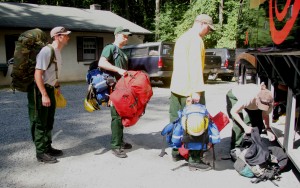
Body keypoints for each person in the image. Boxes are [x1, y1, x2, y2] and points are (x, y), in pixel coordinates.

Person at [169, 14, 215, 171]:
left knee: (177, 121)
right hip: (190, 89)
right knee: (196, 124)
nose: (208, 31)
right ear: (202, 24)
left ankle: (176, 151)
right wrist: (196, 91)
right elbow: (195, 66)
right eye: (208, 28)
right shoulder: (196, 40)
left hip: (177, 87)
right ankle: (194, 159)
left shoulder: (183, 38)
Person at [28, 26, 71, 163]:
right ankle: (40, 153)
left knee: (49, 120)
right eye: (65, 35)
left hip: (50, 88)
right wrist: (44, 94)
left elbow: (52, 72)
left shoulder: (57, 51)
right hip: (39, 90)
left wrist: (56, 86)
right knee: (40, 121)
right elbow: (37, 74)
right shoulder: (47, 51)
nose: (68, 37)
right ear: (58, 36)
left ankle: (47, 147)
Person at [98, 26, 133, 158]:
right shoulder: (110, 48)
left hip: (123, 88)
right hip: (114, 89)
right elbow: (101, 62)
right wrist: (118, 70)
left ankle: (120, 141)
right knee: (116, 117)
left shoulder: (121, 51)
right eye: (124, 35)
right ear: (117, 35)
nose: (126, 38)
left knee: (121, 115)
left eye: (127, 36)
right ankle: (116, 146)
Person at [226, 82, 276, 151]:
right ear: (256, 99)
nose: (262, 108)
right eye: (261, 105)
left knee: (258, 123)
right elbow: (233, 112)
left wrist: (268, 129)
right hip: (234, 95)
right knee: (238, 125)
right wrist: (245, 126)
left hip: (252, 102)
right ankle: (235, 148)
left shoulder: (268, 100)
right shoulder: (248, 97)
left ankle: (253, 145)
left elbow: (265, 115)